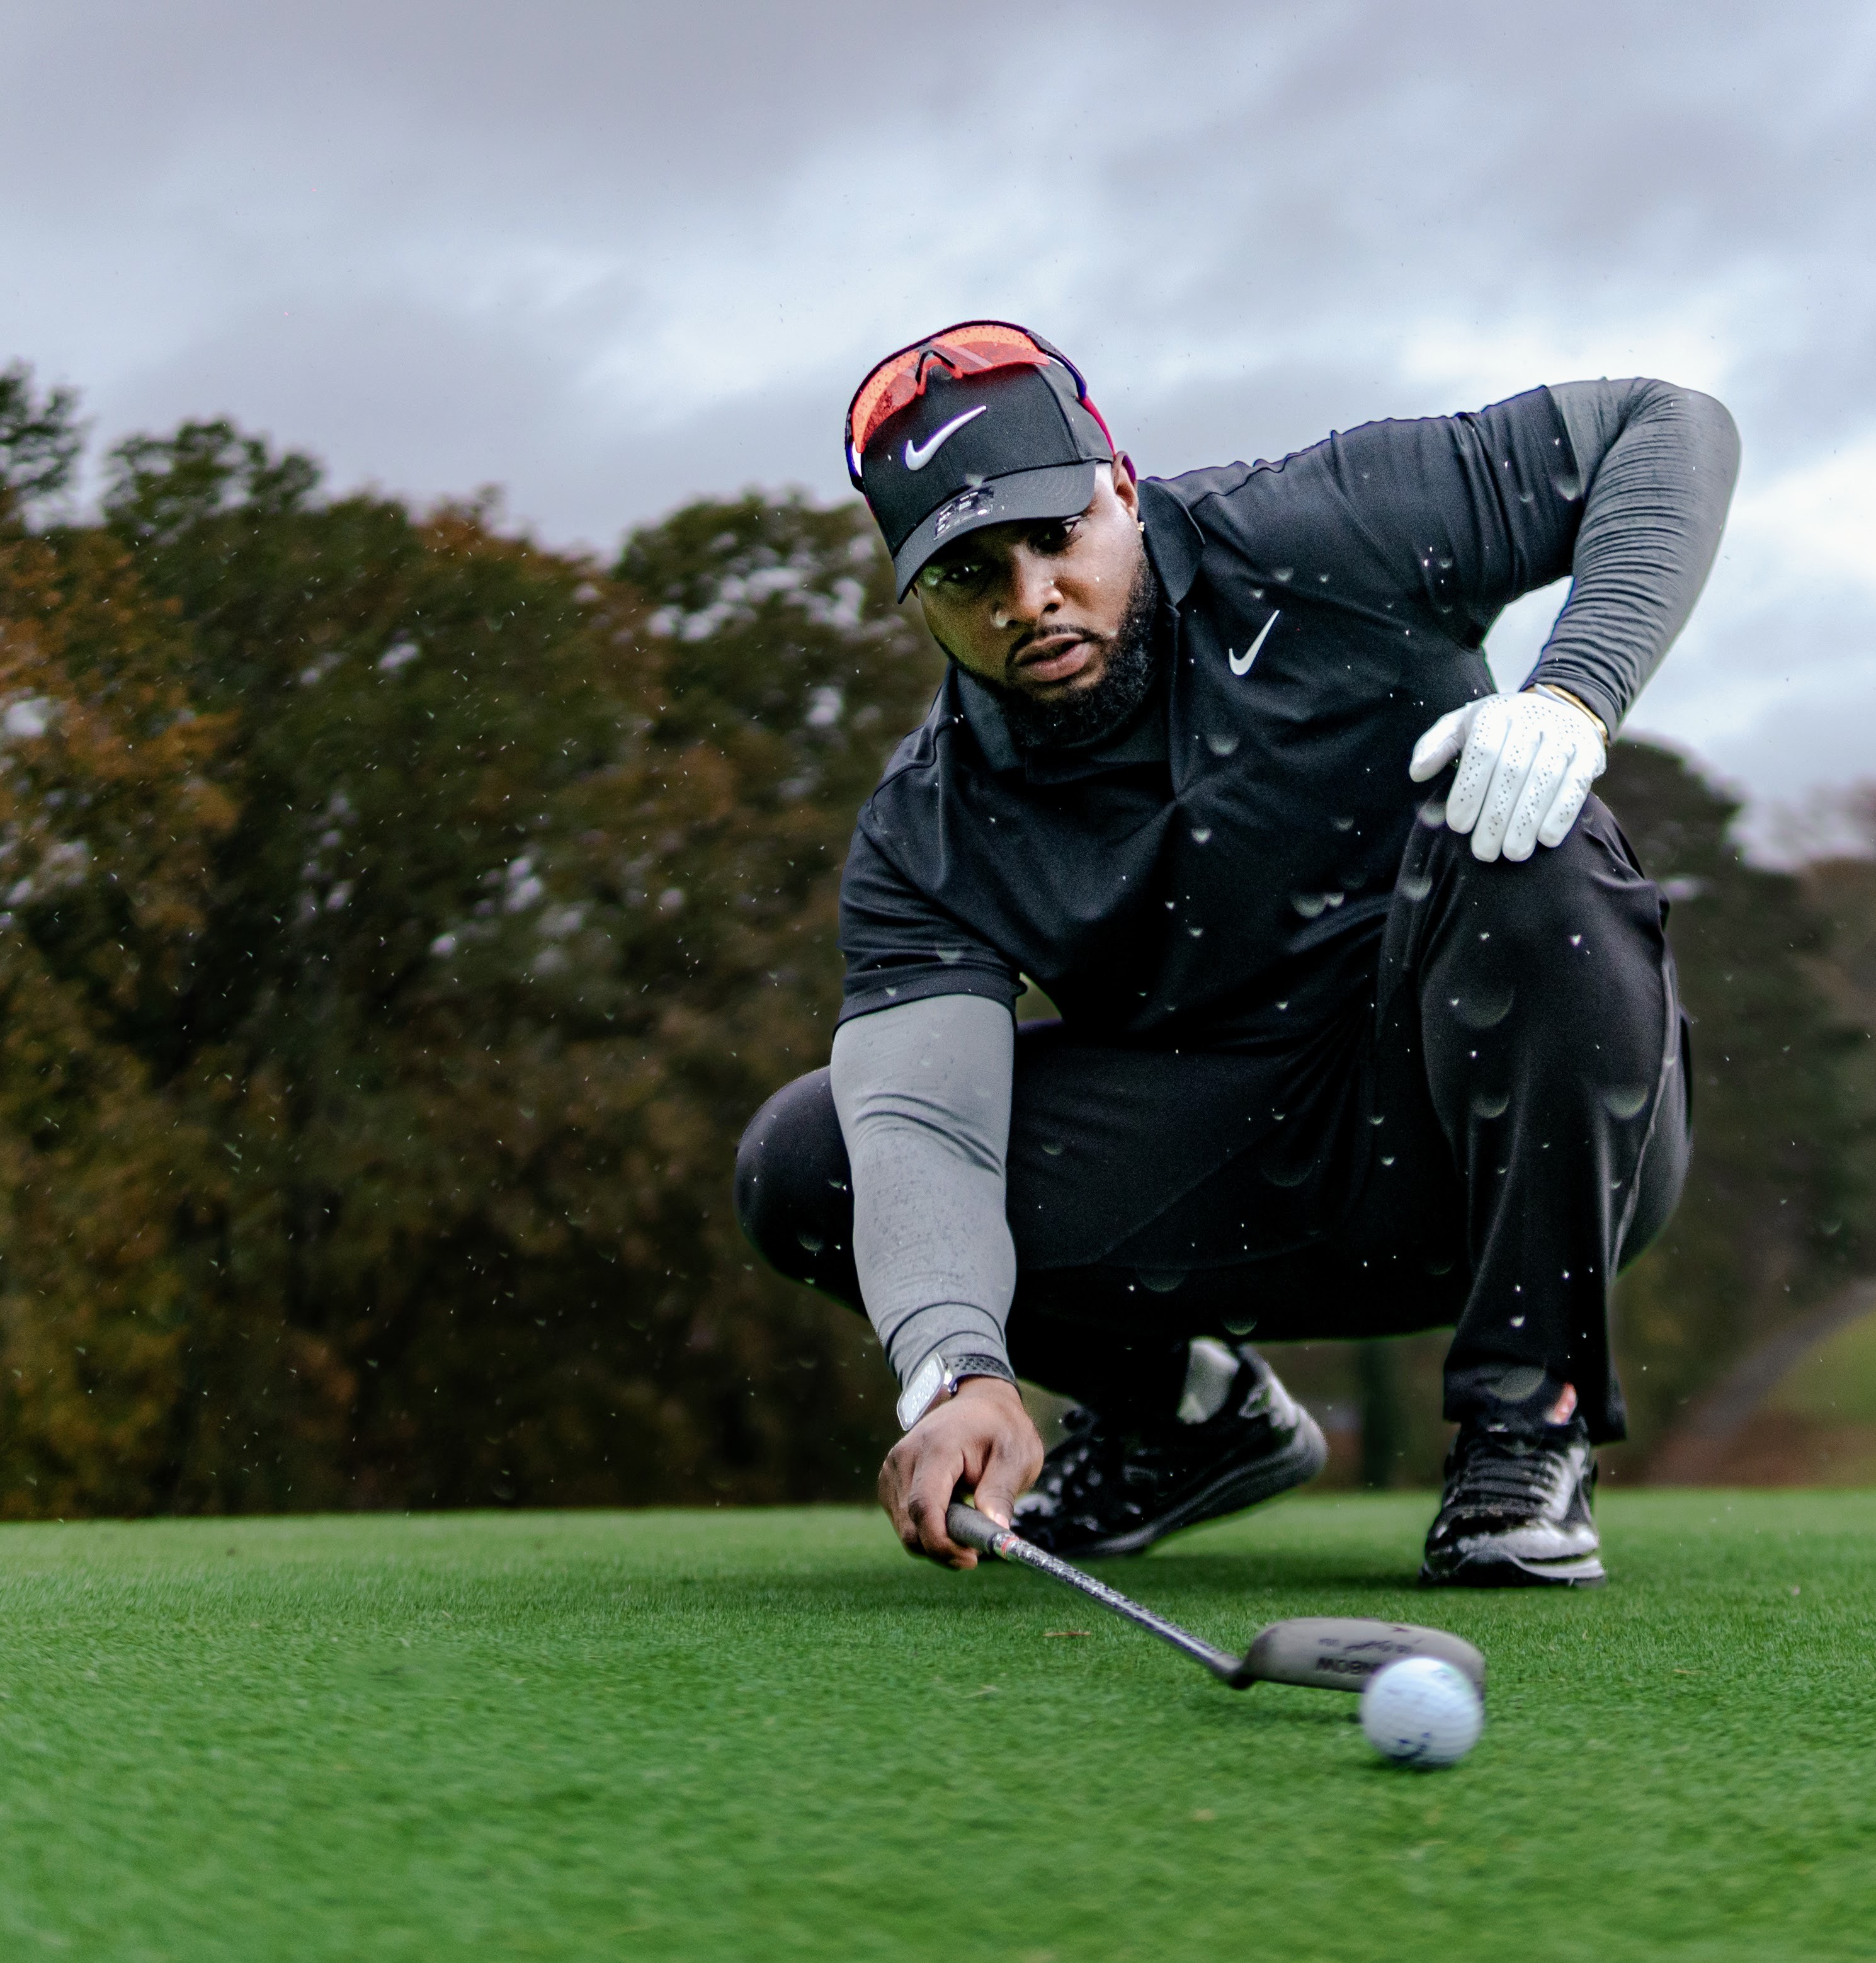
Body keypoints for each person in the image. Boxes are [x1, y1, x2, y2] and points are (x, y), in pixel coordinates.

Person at [734, 322, 1737, 1586]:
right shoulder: (927, 826)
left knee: (1527, 835)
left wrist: (1573, 692)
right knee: (810, 1160)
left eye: (1054, 538)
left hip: (1504, 1132)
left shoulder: (1322, 526)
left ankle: (1522, 1422)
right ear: (916, 590)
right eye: (967, 574)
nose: (1027, 596)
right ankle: (1187, 1421)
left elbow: (1665, 425)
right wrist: (960, 1367)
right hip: (1229, 1173)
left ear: (1118, 485)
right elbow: (925, 1130)